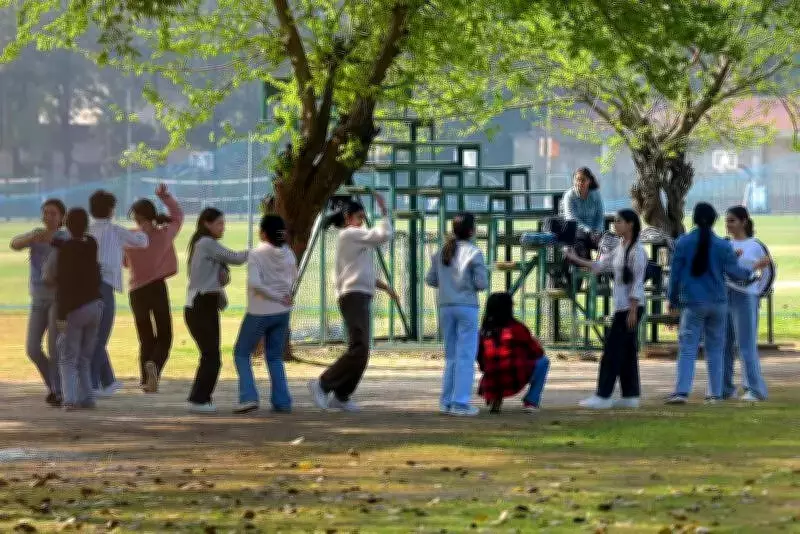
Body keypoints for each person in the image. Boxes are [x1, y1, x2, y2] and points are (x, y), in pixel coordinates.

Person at [666, 203, 771, 405]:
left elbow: (675, 276)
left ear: (694, 219)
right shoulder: (723, 245)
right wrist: (753, 270)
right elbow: (736, 273)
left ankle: (681, 391)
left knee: (688, 347)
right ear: (715, 220)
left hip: (694, 302)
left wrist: (671, 300)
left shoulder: (683, 242)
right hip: (718, 302)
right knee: (716, 348)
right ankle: (715, 393)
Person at [307, 194, 394, 413]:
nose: (362, 221)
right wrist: (384, 213)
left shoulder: (354, 238)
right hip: (353, 296)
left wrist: (384, 287)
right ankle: (322, 383)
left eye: (364, 218)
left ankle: (342, 395)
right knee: (359, 347)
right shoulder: (350, 234)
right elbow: (384, 235)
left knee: (362, 350)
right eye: (359, 217)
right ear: (348, 218)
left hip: (360, 295)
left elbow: (360, 272)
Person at [565, 209, 648, 409]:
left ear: (630, 224)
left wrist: (633, 310)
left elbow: (638, 282)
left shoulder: (638, 251)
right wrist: (574, 258)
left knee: (612, 352)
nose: (615, 225)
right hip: (621, 307)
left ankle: (603, 395)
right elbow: (600, 265)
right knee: (627, 352)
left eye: (619, 222)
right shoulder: (619, 247)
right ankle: (630, 395)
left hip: (630, 308)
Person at [184, 207, 249, 413]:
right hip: (200, 306)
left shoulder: (205, 244)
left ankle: (200, 398)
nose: (223, 228)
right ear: (207, 223)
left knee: (210, 355)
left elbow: (222, 276)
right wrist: (259, 251)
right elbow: (236, 258)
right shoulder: (206, 243)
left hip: (207, 305)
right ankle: (198, 400)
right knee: (211, 356)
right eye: (219, 223)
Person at [425, 212, 488, 416]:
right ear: (471, 231)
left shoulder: (442, 251)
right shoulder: (474, 252)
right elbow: (481, 284)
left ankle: (446, 401)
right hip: (467, 306)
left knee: (451, 356)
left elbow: (430, 279)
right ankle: (460, 402)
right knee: (466, 356)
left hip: (445, 306)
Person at [232, 214, 297, 414]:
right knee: (275, 357)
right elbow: (294, 276)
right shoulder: (288, 253)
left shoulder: (256, 254)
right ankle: (282, 400)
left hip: (260, 311)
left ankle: (249, 396)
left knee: (242, 353)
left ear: (263, 233)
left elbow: (256, 284)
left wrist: (275, 296)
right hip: (282, 312)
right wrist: (283, 295)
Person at [88, 190, 149, 397]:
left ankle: (108, 381)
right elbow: (142, 242)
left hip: (85, 288)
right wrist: (143, 225)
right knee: (99, 338)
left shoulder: (86, 230)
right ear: (112, 210)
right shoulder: (115, 231)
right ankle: (94, 383)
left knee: (93, 336)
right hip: (104, 287)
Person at [124, 184, 184, 393]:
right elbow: (177, 217)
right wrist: (164, 196)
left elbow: (124, 262)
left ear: (137, 217)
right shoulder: (164, 234)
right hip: (157, 288)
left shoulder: (129, 238)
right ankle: (155, 366)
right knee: (165, 334)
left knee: (145, 336)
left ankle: (144, 377)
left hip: (136, 291)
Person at [9, 199, 67, 406]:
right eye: (45, 213)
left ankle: (59, 391)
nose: (48, 217)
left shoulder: (65, 238)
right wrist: (30, 238)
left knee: (54, 347)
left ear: (62, 217)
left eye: (53, 213)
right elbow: (14, 244)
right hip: (37, 297)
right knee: (32, 348)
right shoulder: (36, 235)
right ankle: (55, 385)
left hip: (58, 299)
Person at [47, 208, 103, 411]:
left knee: (68, 357)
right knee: (85, 357)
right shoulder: (91, 244)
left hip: (74, 308)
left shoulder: (66, 250)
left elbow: (63, 283)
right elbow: (78, 242)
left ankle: (69, 399)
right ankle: (88, 397)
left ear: (67, 225)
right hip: (95, 305)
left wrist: (61, 316)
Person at [722, 206, 770, 402]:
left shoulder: (756, 245)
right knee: (724, 344)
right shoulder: (724, 245)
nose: (728, 224)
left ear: (744, 221)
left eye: (732, 220)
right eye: (726, 221)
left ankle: (755, 389)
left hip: (745, 298)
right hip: (724, 296)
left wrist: (758, 292)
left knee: (745, 345)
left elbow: (768, 271)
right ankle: (725, 388)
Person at [476, 292, 549, 414]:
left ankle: (495, 397)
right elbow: (537, 352)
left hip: (491, 377)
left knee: (497, 366)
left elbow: (479, 356)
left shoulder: (483, 331)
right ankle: (531, 401)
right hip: (514, 375)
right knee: (543, 362)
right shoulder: (517, 328)